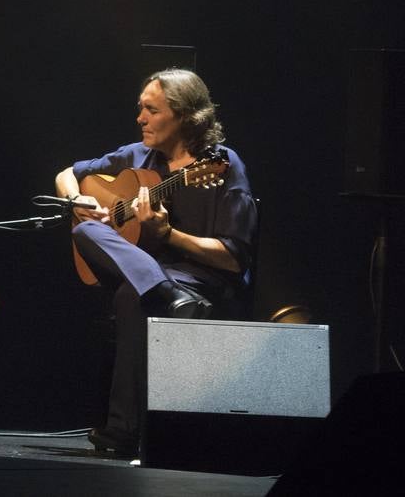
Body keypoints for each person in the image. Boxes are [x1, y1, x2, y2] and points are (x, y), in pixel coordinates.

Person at [55, 68, 258, 457]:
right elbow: (67, 173)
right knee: (84, 232)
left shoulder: (222, 166)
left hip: (200, 280)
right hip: (160, 279)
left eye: (151, 110)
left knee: (134, 295)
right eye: (140, 109)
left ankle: (122, 432)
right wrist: (76, 201)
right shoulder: (135, 156)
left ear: (185, 116)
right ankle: (166, 293)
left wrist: (169, 236)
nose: (140, 118)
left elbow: (234, 259)